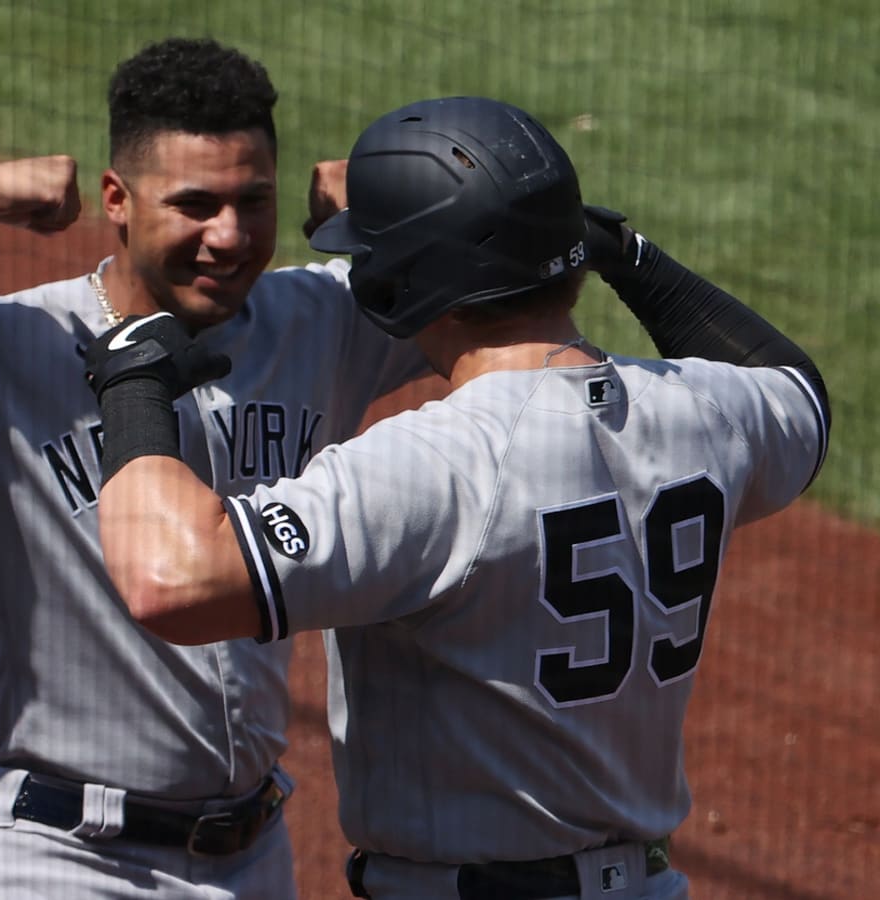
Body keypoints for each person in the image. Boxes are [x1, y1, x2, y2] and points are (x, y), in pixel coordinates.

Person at [91, 95, 831, 900]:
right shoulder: (706, 413)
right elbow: (798, 389)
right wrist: (627, 253)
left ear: (393, 284)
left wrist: (133, 382)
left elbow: (168, 579)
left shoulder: (435, 466)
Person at [0, 37, 427, 900]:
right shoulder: (3, 343)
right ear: (117, 199)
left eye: (253, 201)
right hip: (49, 858)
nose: (230, 236)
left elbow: (502, 290)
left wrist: (383, 210)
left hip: (249, 859)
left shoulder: (318, 319)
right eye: (195, 204)